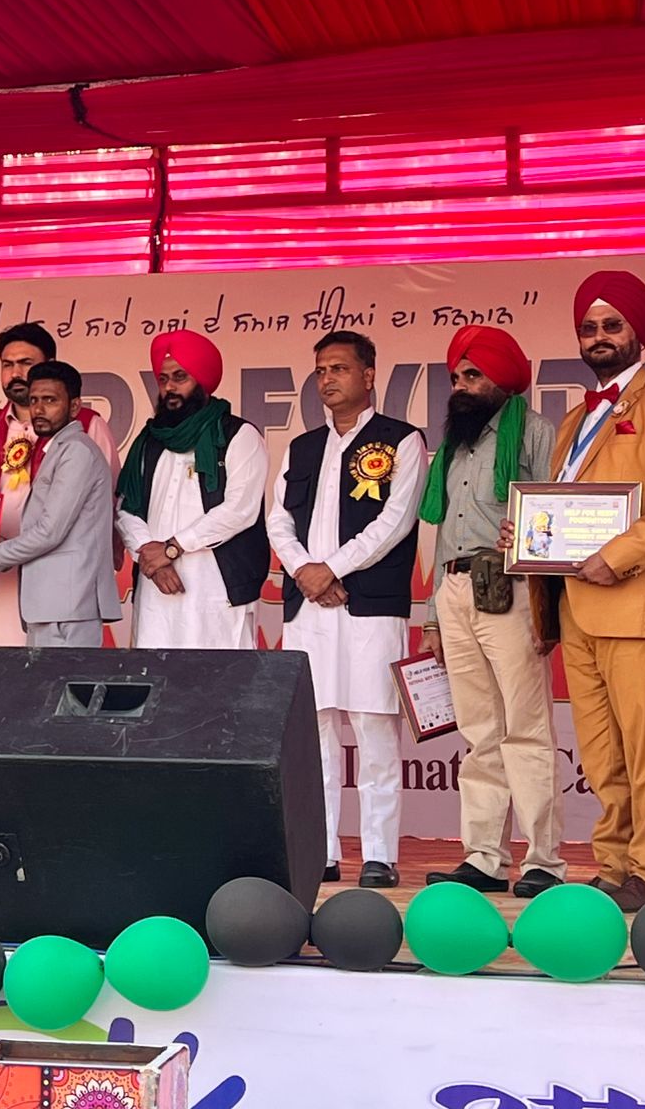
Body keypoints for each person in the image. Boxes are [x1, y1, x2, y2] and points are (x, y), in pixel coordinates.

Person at [517, 270, 645, 910]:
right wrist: (527, 538)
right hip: (575, 607)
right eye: (588, 327)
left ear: (639, 332)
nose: (599, 336)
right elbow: (562, 511)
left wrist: (616, 555)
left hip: (637, 604)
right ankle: (614, 863)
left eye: (611, 324)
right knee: (602, 753)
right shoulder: (574, 418)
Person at [268, 331, 428, 889]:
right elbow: (278, 520)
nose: (327, 379)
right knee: (313, 733)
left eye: (339, 368)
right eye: (320, 370)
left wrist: (331, 569)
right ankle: (323, 850)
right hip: (309, 606)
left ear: (369, 375)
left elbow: (395, 522)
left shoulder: (402, 440)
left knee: (375, 728)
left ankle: (380, 854)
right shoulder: (302, 447)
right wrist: (305, 571)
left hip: (369, 605)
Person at [418, 326, 564, 898]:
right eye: (456, 376)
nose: (461, 385)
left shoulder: (535, 432)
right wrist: (433, 616)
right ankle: (483, 857)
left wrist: (527, 542)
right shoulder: (454, 441)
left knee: (525, 729)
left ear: (503, 379)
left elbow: (555, 516)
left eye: (473, 375)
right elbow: (443, 534)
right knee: (480, 732)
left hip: (511, 588)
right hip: (456, 589)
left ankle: (544, 861)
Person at [0, 323, 120, 644]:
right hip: (3, 580)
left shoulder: (87, 430)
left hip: (63, 584)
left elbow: (106, 506)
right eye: (7, 364)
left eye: (26, 363)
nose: (16, 373)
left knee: (54, 670)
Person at [116, 330, 268, 648]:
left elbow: (239, 510)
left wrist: (172, 548)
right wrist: (150, 556)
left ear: (202, 380)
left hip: (217, 589)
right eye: (163, 379)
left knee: (219, 674)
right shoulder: (149, 440)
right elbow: (126, 507)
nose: (170, 387)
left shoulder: (239, 435)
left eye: (180, 377)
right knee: (156, 673)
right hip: (157, 587)